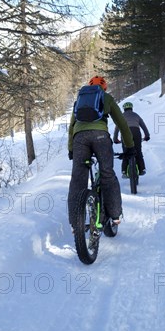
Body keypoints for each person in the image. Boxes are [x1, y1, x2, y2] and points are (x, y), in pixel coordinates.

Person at [67, 76, 136, 227]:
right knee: (107, 174)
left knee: (78, 180)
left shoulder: (80, 99)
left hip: (79, 139)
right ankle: (115, 215)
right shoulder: (106, 97)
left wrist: (71, 149)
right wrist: (130, 146)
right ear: (104, 88)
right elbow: (122, 124)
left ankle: (75, 224)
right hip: (100, 137)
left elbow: (72, 126)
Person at [113, 102, 150, 177]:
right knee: (138, 151)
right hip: (136, 132)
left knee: (126, 152)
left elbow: (117, 128)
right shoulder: (136, 115)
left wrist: (115, 139)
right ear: (131, 108)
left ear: (124, 109)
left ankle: (124, 171)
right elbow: (143, 126)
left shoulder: (121, 116)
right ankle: (142, 169)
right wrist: (147, 136)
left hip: (125, 133)